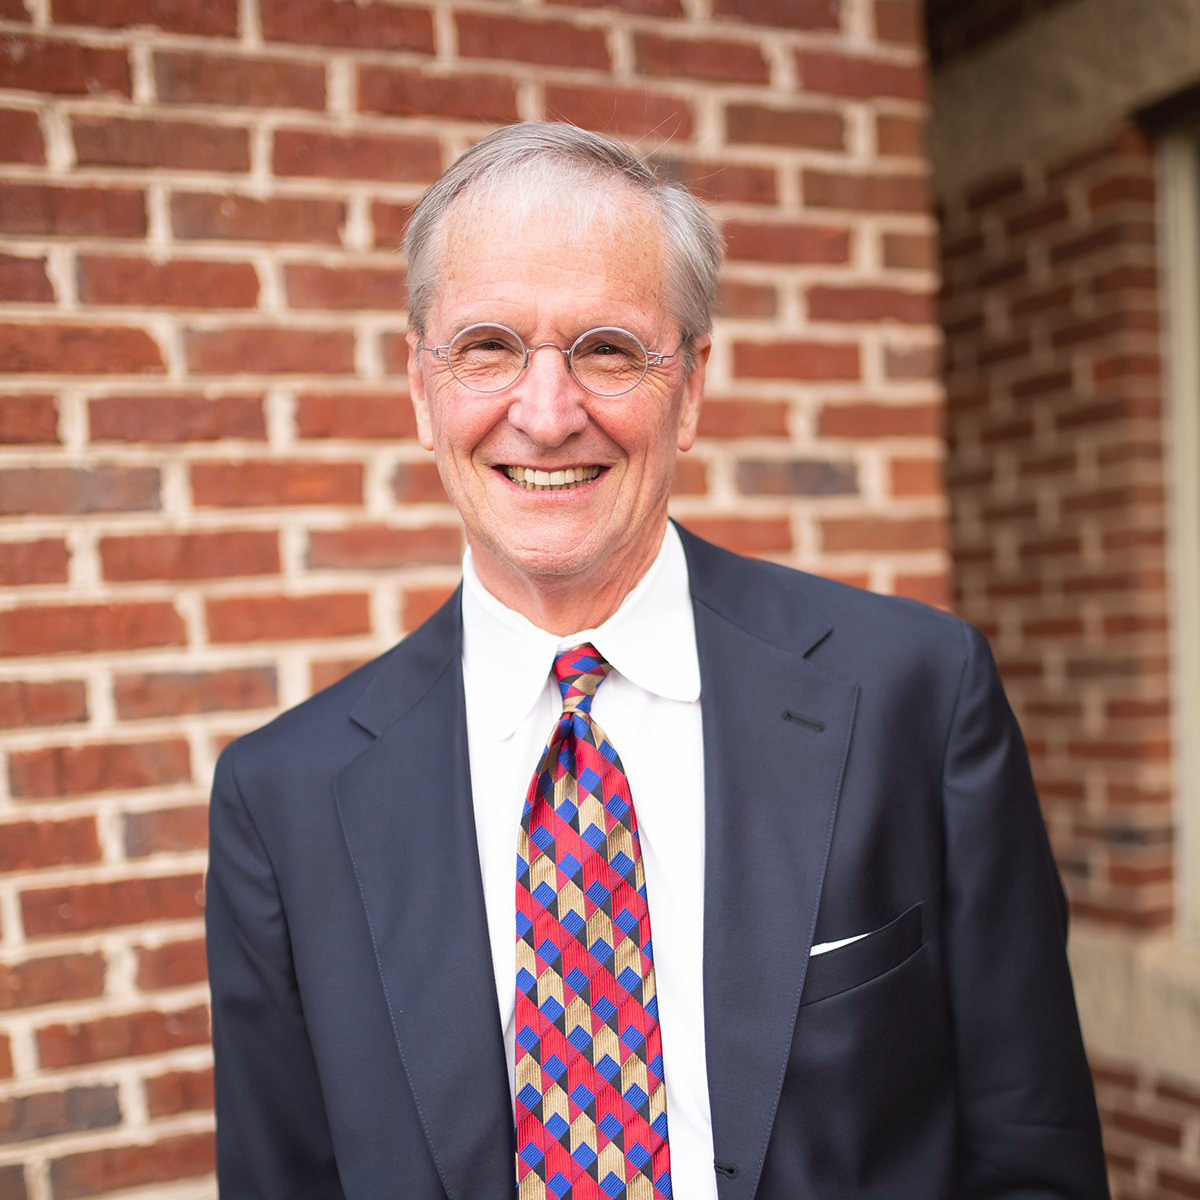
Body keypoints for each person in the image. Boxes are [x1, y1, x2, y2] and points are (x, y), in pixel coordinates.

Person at [205, 123, 1110, 1200]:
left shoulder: (916, 695)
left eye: (607, 349)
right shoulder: (284, 802)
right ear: (420, 385)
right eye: (488, 346)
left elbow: (1032, 1154)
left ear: (690, 388)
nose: (546, 415)